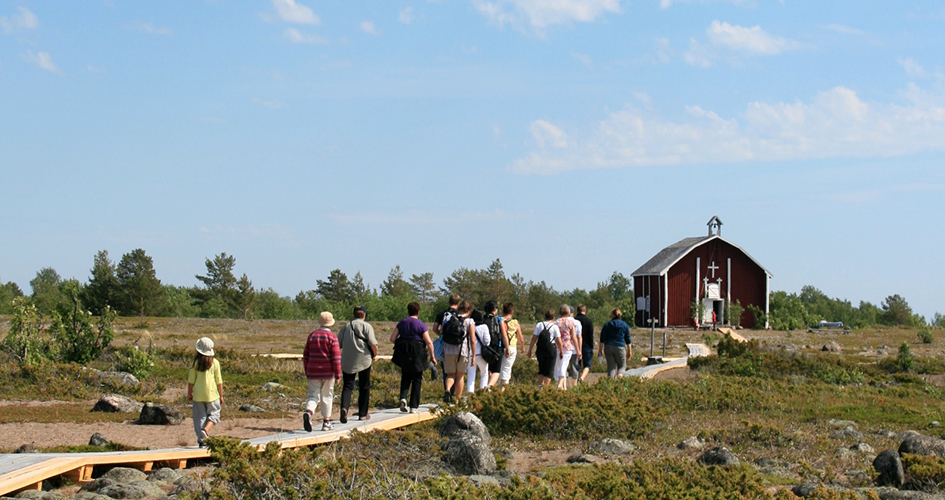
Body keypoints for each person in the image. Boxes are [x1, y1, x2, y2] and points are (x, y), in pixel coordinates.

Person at [390, 302, 437, 413]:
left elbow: (392, 338)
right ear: (418, 311)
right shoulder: (421, 325)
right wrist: (432, 357)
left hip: (404, 354)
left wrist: (401, 345)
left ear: (408, 310)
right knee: (417, 379)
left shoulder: (402, 323)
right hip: (417, 354)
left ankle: (403, 397)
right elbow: (429, 342)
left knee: (405, 376)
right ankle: (413, 406)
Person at [337, 305, 378, 423]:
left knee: (347, 386)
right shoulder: (367, 326)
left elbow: (338, 343)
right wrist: (374, 355)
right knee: (364, 386)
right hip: (364, 360)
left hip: (348, 360)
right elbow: (373, 344)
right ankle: (363, 414)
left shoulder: (346, 326)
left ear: (354, 314)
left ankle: (344, 408)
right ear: (364, 315)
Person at [302, 312, 341, 432]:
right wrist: (338, 374)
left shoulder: (312, 336)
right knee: (327, 396)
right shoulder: (332, 337)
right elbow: (336, 358)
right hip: (328, 373)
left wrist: (307, 370)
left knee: (313, 396)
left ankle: (309, 412)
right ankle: (326, 422)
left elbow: (306, 355)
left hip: (312, 372)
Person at [187, 337, 223, 448]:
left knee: (199, 417)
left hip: (198, 394)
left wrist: (189, 393)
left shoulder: (195, 363)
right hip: (212, 394)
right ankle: (206, 429)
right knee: (215, 414)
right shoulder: (215, 363)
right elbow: (219, 381)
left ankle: (201, 439)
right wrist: (221, 395)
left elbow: (191, 381)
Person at [442, 300, 476, 403]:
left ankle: (447, 390)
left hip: (448, 350)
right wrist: (473, 355)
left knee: (450, 374)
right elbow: (473, 340)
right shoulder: (469, 321)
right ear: (469, 310)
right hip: (462, 350)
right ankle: (457, 399)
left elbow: (442, 332)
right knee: (460, 375)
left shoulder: (448, 318)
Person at [527, 310, 561, 388]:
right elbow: (558, 340)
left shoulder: (539, 325)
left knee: (541, 368)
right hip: (551, 349)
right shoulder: (555, 327)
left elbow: (534, 338)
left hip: (540, 349)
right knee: (549, 369)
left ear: (545, 317)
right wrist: (561, 351)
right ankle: (546, 388)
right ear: (554, 317)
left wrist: (530, 350)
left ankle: (540, 386)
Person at [597, 308, 632, 378]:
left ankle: (611, 383)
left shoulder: (607, 325)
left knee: (611, 368)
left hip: (609, 347)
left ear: (612, 315)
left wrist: (600, 350)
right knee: (622, 366)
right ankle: (620, 375)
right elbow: (628, 339)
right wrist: (629, 351)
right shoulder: (625, 325)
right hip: (620, 347)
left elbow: (602, 339)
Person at [498, 303, 524, 388]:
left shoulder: (499, 320)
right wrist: (522, 347)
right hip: (511, 347)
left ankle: (495, 387)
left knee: (499, 368)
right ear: (512, 311)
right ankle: (503, 389)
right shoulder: (515, 322)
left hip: (499, 347)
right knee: (507, 368)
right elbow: (520, 337)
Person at [483, 300, 507, 388]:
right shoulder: (498, 319)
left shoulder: (483, 319)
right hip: (497, 348)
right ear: (494, 309)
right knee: (496, 371)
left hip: (485, 348)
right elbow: (504, 335)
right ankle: (489, 386)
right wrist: (507, 348)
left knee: (488, 369)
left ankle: (487, 385)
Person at [466, 309, 491, 393]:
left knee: (471, 376)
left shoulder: (469, 326)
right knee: (484, 374)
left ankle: (470, 393)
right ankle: (482, 393)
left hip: (470, 354)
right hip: (481, 355)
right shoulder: (484, 327)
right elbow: (487, 341)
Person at [554, 304, 576, 390]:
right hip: (567, 346)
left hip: (557, 346)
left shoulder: (556, 322)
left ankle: (563, 386)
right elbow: (573, 337)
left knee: (559, 366)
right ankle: (560, 385)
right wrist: (578, 350)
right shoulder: (570, 322)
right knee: (564, 366)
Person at [574, 304, 594, 382]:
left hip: (576, 346)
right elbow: (590, 335)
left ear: (577, 310)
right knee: (587, 365)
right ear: (585, 311)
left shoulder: (574, 320)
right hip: (587, 345)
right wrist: (591, 346)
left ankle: (577, 378)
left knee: (577, 364)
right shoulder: (589, 321)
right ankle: (582, 378)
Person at [566, 305, 582, 387]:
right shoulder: (577, 322)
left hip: (564, 348)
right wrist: (579, 350)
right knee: (574, 367)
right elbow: (578, 337)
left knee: (564, 367)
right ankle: (574, 385)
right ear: (572, 313)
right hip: (574, 349)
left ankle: (564, 384)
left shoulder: (561, 321)